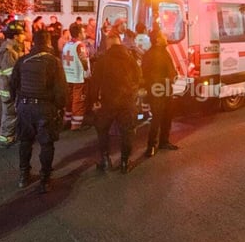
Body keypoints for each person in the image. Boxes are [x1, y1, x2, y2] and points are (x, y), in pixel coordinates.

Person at [9, 30, 67, 193]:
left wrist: (17, 103)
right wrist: (60, 108)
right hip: (45, 108)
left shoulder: (22, 60)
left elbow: (13, 84)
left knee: (25, 142)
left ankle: (23, 175)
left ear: (33, 42)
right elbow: (60, 90)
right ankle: (45, 179)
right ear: (48, 43)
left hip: (25, 107)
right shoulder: (54, 62)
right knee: (46, 144)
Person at [88, 24, 141, 173]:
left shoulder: (102, 60)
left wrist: (94, 101)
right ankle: (124, 162)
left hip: (108, 102)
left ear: (108, 44)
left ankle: (106, 160)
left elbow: (95, 83)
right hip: (127, 101)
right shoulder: (130, 58)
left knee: (102, 130)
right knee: (127, 132)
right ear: (120, 42)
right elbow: (138, 77)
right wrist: (132, 93)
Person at [142, 27, 179, 157]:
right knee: (157, 118)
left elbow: (170, 68)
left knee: (167, 116)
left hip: (167, 89)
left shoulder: (164, 52)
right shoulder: (150, 54)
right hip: (157, 91)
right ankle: (151, 146)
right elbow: (146, 74)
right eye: (163, 35)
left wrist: (174, 74)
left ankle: (164, 141)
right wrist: (164, 80)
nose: (165, 37)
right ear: (157, 40)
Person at [0, 20, 28, 148]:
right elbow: (12, 74)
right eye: (22, 34)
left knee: (13, 114)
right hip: (9, 89)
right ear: (15, 36)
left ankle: (11, 136)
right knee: (10, 115)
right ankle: (6, 140)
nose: (24, 36)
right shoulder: (8, 51)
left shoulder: (12, 48)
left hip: (10, 88)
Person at [62, 23, 90, 131]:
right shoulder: (80, 45)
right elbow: (83, 59)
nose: (85, 33)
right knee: (78, 101)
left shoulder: (67, 44)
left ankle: (67, 121)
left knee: (69, 100)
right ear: (79, 34)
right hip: (78, 77)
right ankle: (76, 125)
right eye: (83, 31)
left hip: (68, 76)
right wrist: (87, 71)